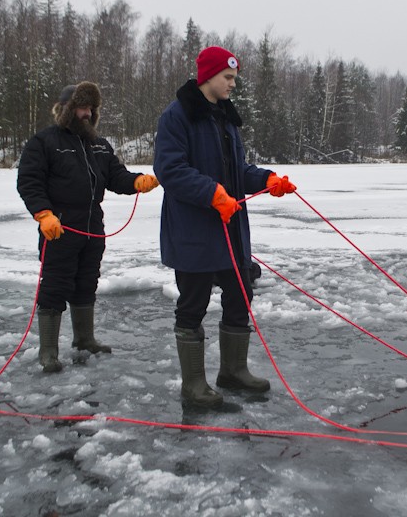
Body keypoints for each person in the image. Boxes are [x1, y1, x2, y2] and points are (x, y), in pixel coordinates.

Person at [154, 46, 296, 409]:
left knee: (240, 294)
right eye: (228, 78)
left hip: (231, 231)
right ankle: (194, 386)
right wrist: (212, 193)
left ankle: (233, 371)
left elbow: (238, 172)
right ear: (208, 77)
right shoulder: (178, 116)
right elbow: (170, 170)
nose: (233, 84)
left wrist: (268, 180)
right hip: (193, 232)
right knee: (193, 303)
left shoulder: (227, 119)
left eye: (234, 78)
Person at [17, 81, 159, 373]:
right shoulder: (44, 142)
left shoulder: (99, 144)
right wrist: (44, 214)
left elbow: (115, 176)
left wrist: (135, 181)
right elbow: (29, 182)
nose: (87, 113)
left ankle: (84, 340)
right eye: (82, 107)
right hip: (59, 227)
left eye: (91, 109)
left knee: (86, 283)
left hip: (93, 227)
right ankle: (48, 351)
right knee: (55, 286)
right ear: (67, 110)